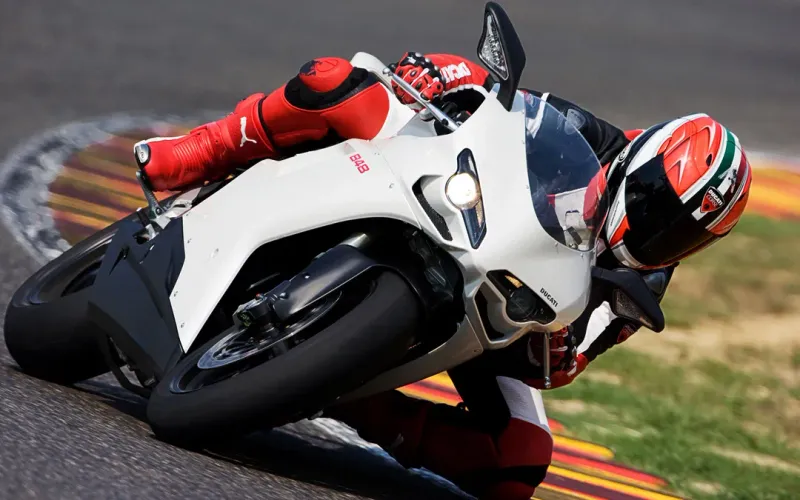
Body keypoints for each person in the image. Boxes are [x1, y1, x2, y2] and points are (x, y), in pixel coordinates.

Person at [134, 52, 752, 500]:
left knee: (520, 463)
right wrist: (440, 73)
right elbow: (493, 98)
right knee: (336, 80)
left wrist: (559, 344)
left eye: (683, 234)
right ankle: (198, 152)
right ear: (642, 162)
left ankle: (350, 395)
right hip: (445, 203)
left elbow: (564, 366)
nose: (660, 233)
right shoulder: (589, 137)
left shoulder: (644, 283)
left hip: (499, 312)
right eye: (654, 204)